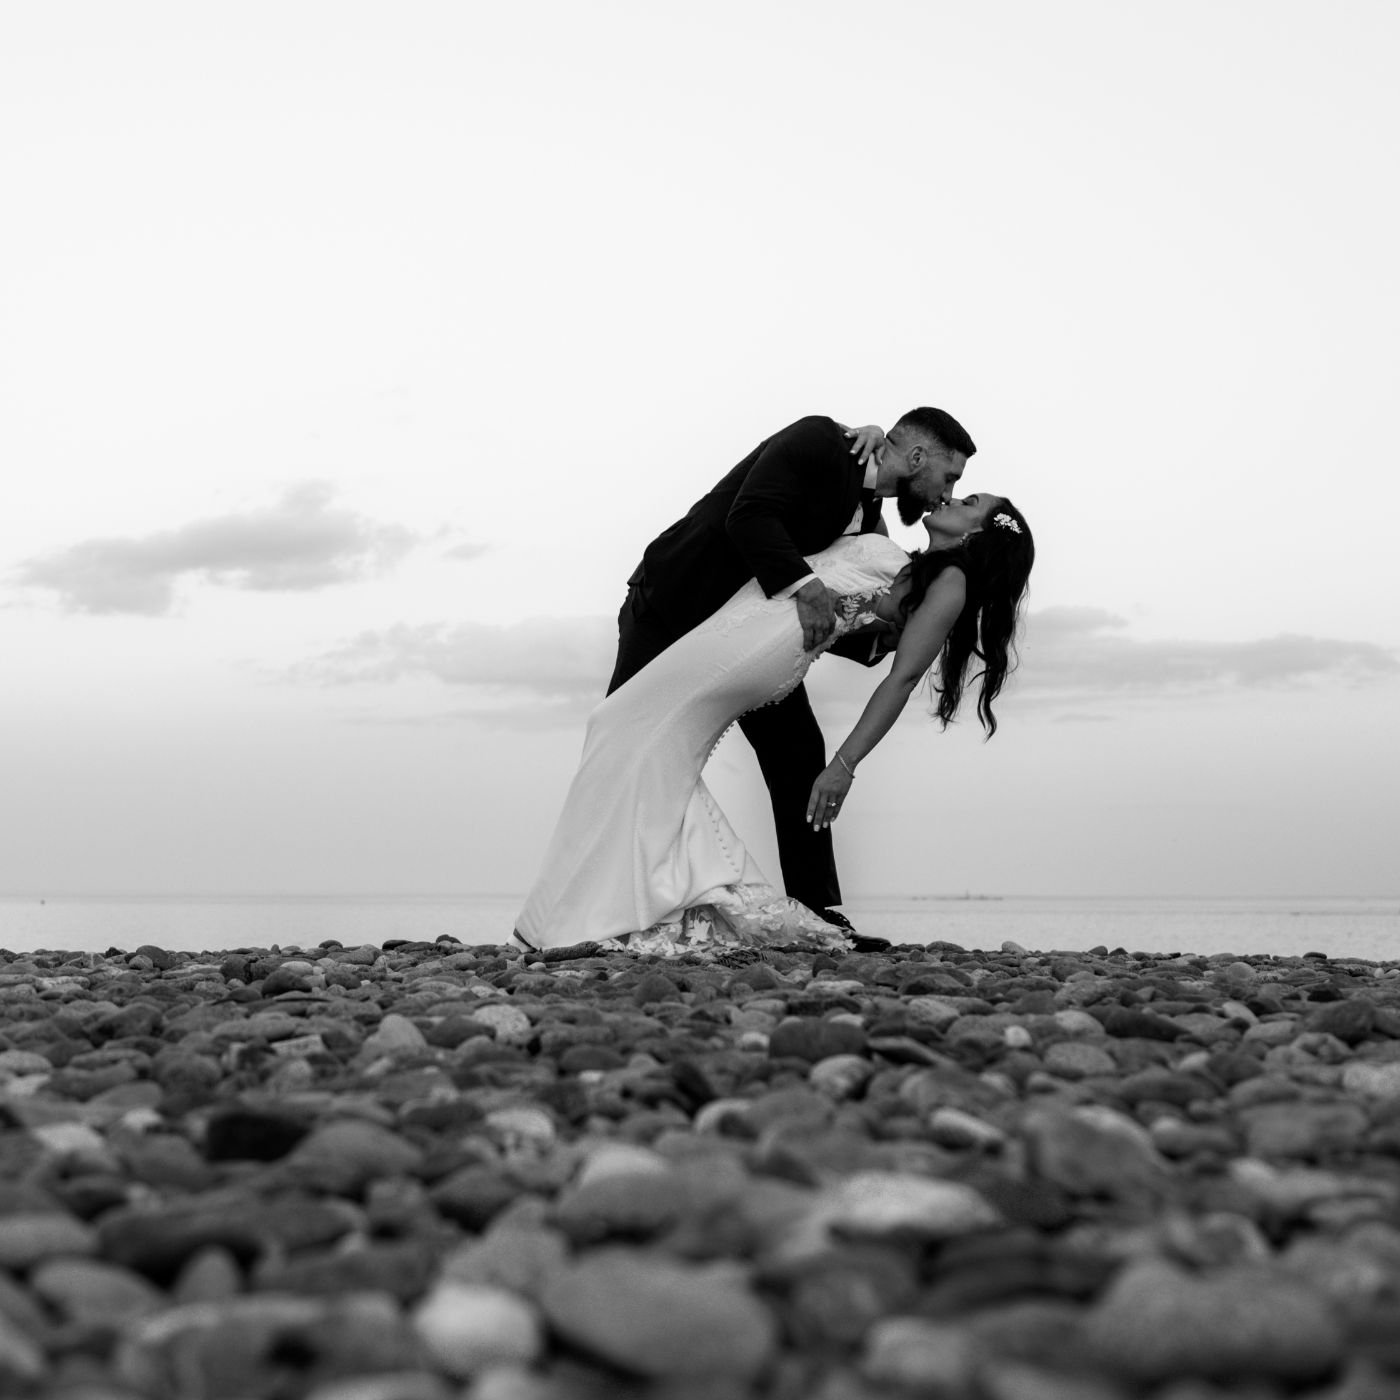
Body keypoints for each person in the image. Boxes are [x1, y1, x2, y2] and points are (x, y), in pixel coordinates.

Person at [512, 491, 1034, 957]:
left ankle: (597, 908)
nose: (952, 497)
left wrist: (844, 766)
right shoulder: (905, 556)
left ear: (977, 536)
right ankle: (670, 894)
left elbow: (901, 680)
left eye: (968, 503)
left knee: (625, 723)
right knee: (633, 733)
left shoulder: (951, 584)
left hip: (761, 650)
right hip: (746, 622)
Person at [604, 409, 975, 932]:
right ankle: (615, 899)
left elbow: (841, 597)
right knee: (623, 743)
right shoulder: (818, 440)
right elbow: (749, 515)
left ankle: (816, 912)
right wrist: (806, 587)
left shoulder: (869, 507)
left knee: (798, 751)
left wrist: (885, 639)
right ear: (916, 457)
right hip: (671, 606)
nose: (947, 491)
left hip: (744, 639)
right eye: (949, 476)